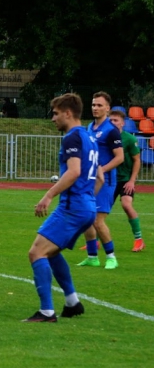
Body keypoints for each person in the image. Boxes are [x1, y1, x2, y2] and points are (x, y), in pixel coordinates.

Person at [24, 93, 100, 322]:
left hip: (72, 207)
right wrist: (87, 200)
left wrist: (48, 196)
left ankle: (47, 312)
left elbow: (74, 171)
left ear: (68, 113)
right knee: (52, 252)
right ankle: (72, 302)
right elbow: (100, 178)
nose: (53, 118)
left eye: (56, 114)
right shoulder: (90, 138)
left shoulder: (72, 138)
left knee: (36, 252)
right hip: (86, 207)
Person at [78, 91, 124, 269]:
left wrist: (102, 170)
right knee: (87, 218)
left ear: (107, 108)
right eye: (93, 104)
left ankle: (111, 257)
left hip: (105, 181)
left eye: (99, 105)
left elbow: (119, 158)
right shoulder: (90, 127)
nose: (95, 108)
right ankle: (92, 257)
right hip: (90, 180)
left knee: (97, 220)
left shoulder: (111, 131)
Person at [108, 110, 145, 252]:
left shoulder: (129, 139)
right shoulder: (105, 138)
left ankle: (139, 240)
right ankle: (95, 242)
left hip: (124, 180)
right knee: (99, 210)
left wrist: (132, 181)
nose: (113, 123)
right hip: (108, 180)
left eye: (116, 120)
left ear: (122, 123)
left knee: (126, 205)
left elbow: (137, 160)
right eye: (110, 120)